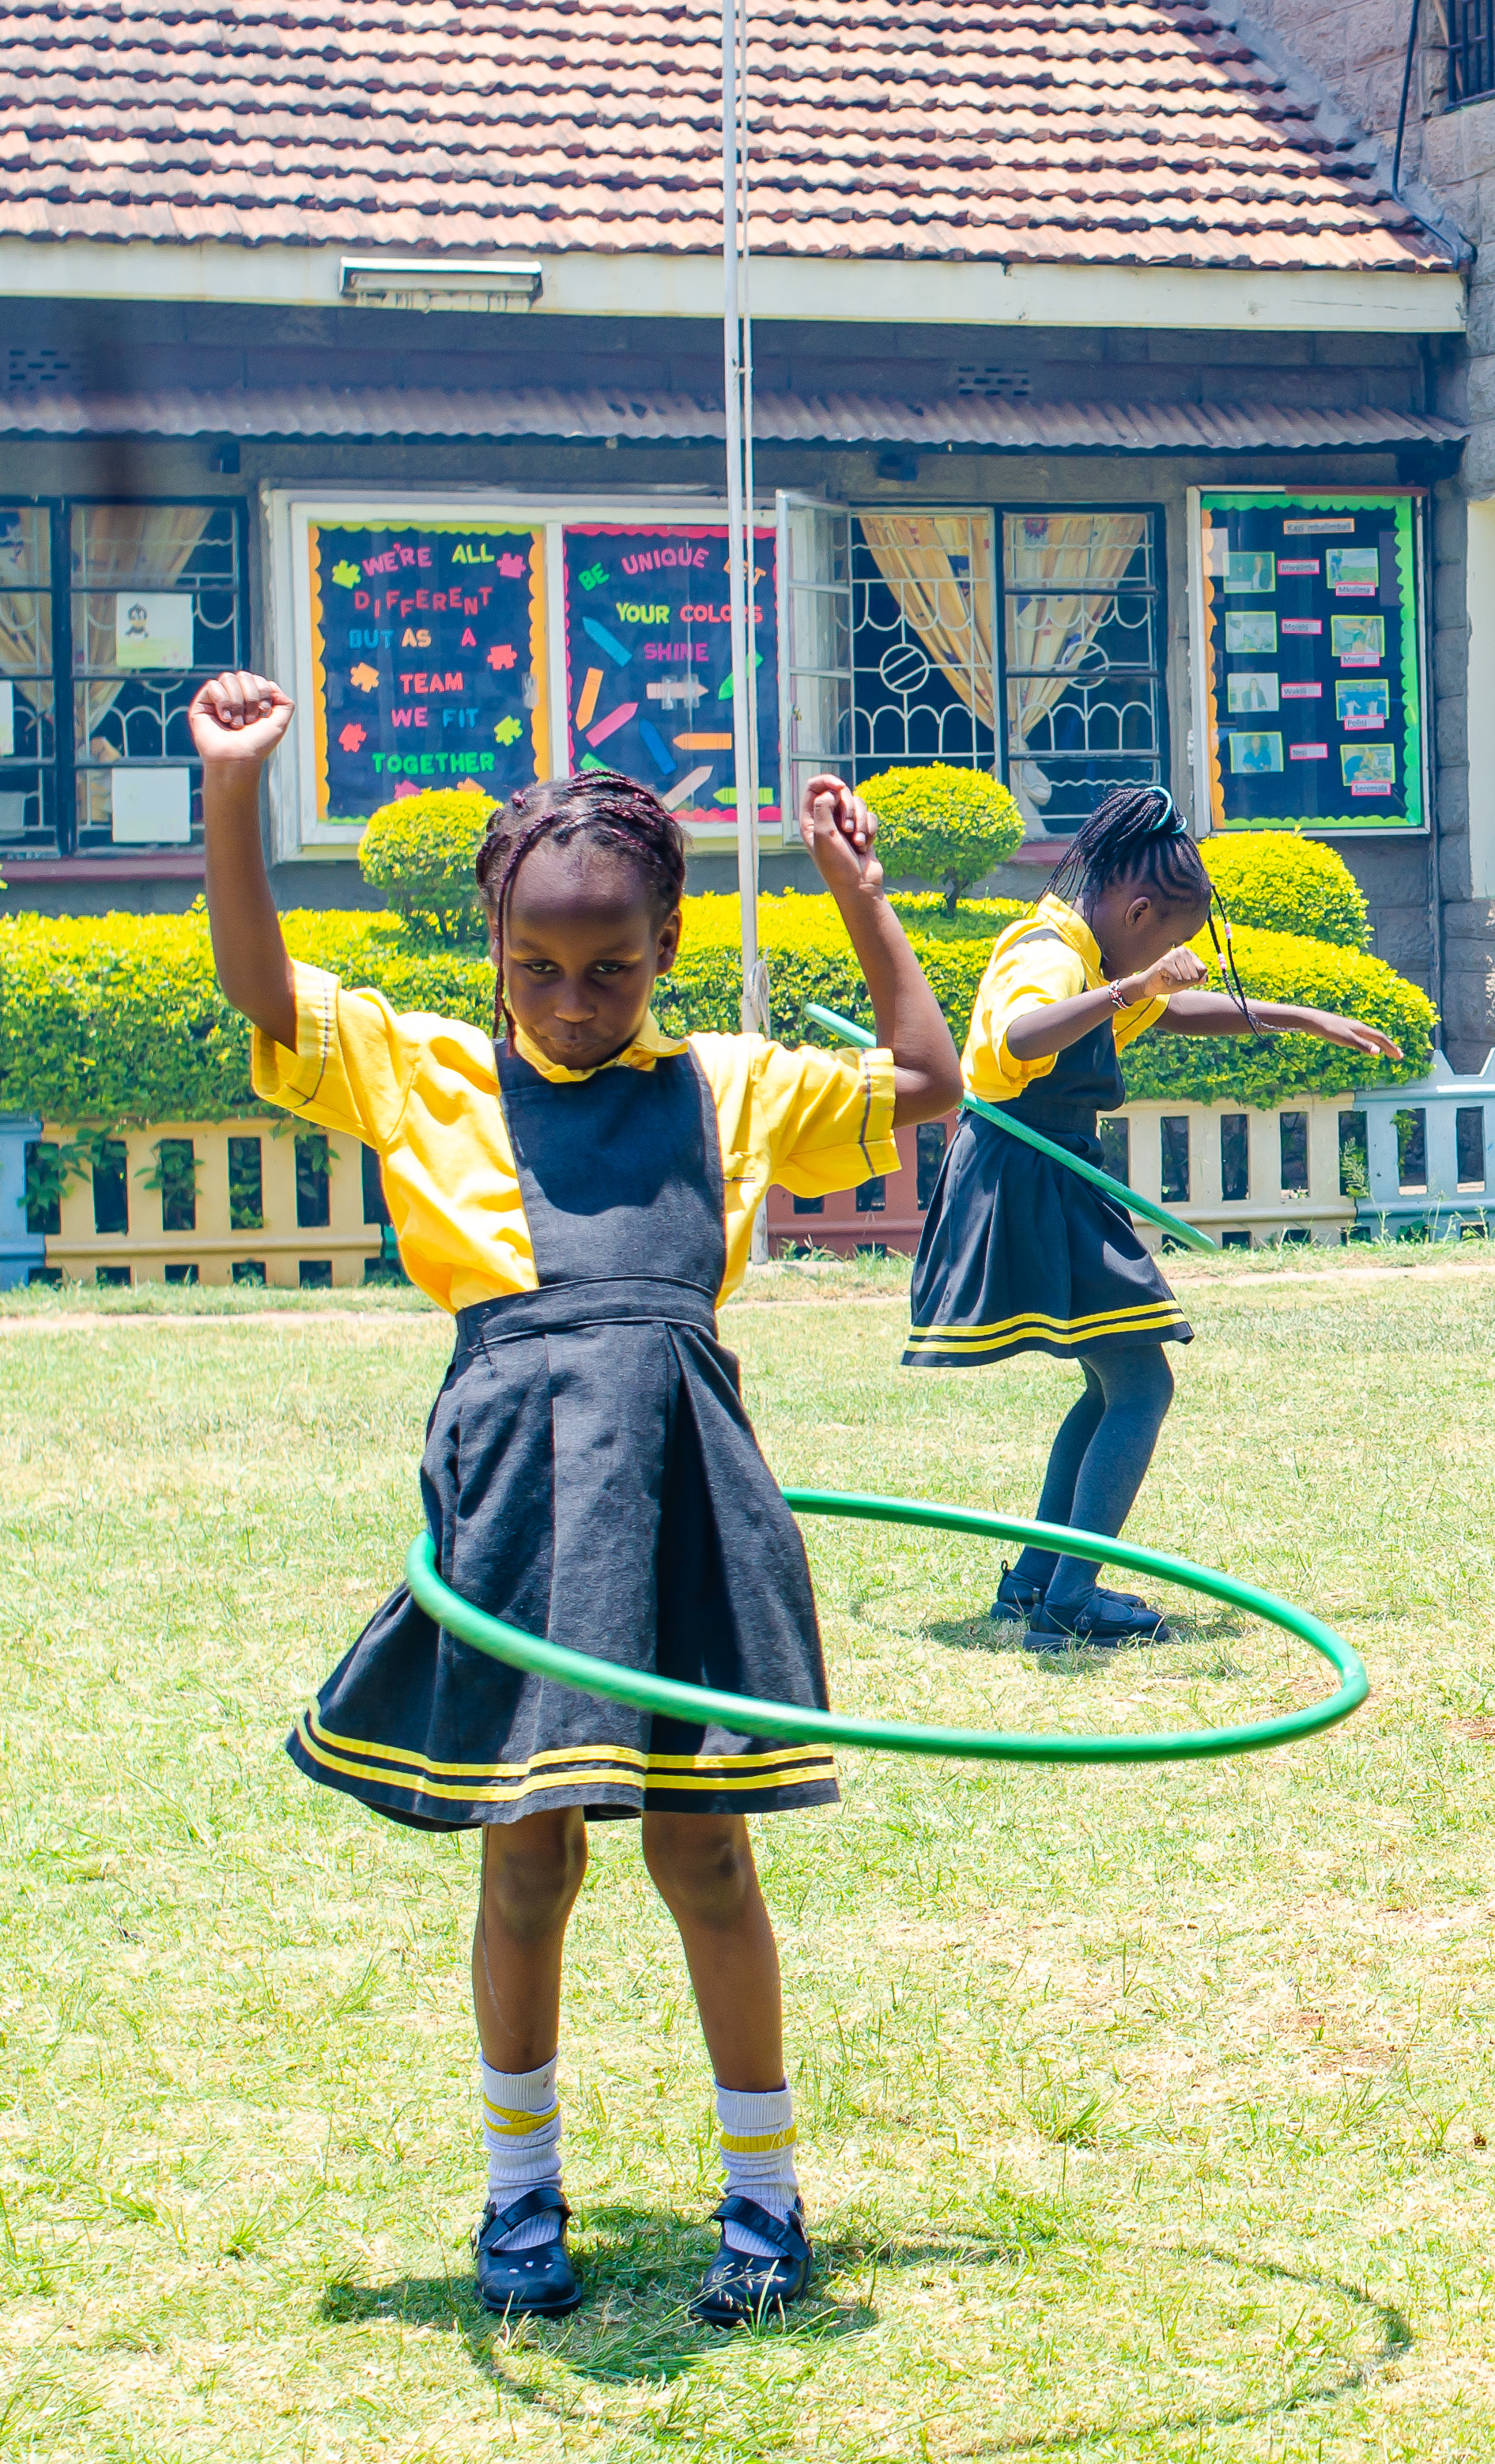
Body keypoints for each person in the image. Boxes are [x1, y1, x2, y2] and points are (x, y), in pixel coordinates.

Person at [191, 670, 965, 2325]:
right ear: (493, 950)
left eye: (611, 967)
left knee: (707, 1857)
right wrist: (235, 791)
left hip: (688, 1489)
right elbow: (260, 984)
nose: (571, 997)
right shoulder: (422, 1074)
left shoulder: (735, 1089)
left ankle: (763, 2200)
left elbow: (928, 1082)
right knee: (525, 1858)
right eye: (535, 965)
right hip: (519, 1500)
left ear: (668, 951)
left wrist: (861, 897)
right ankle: (517, 2192)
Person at [904, 789, 1400, 1645]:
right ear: (1138, 912)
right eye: (1170, 940)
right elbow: (1023, 1036)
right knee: (1141, 1384)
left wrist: (1299, 1016)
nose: (1170, 960)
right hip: (1028, 1170)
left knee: (1116, 1382)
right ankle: (1065, 1604)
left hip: (1045, 1170)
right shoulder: (1051, 950)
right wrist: (1138, 979)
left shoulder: (1095, 951)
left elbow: (1167, 1007)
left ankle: (1036, 1583)